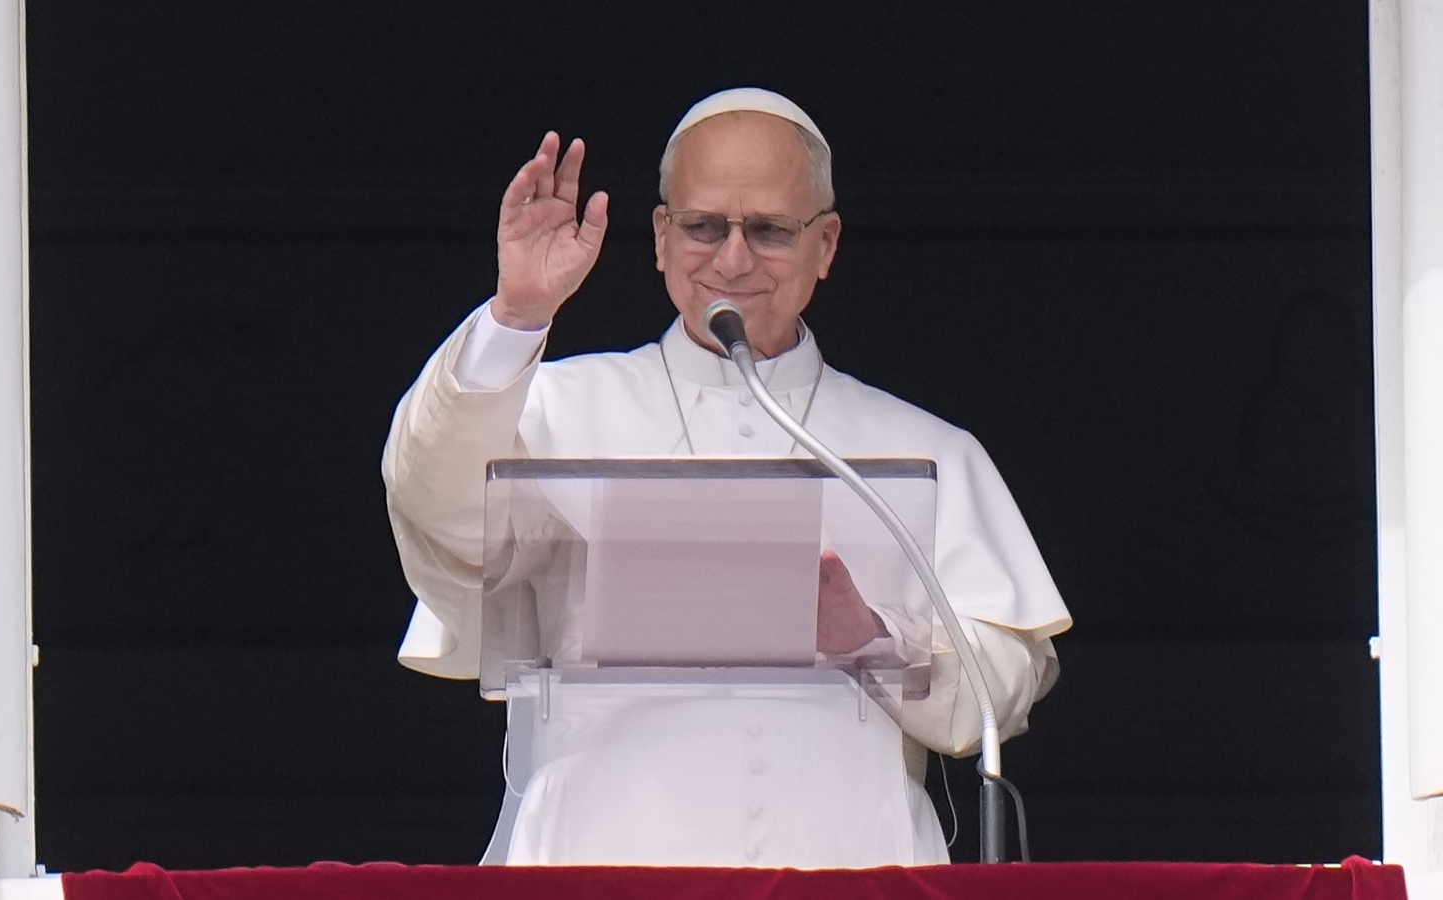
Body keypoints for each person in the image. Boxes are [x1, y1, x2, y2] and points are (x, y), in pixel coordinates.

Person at [383, 88, 1072, 867]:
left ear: (826, 244)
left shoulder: (924, 448)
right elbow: (437, 513)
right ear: (660, 237)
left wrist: (872, 641)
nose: (733, 260)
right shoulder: (549, 409)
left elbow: (999, 694)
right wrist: (515, 318)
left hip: (851, 865)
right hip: (601, 860)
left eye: (770, 230)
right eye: (704, 227)